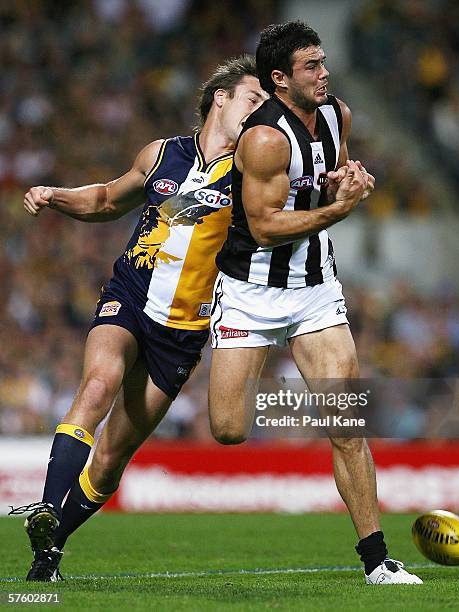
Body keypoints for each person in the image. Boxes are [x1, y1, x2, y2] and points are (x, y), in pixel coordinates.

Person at [11, 55, 267, 582]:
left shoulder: (252, 172)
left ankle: (48, 552)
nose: (262, 111)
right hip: (130, 294)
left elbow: (280, 218)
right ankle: (44, 508)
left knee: (109, 461)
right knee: (98, 383)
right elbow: (107, 199)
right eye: (254, 99)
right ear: (221, 96)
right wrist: (56, 195)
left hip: (183, 332)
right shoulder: (163, 154)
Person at [208, 22, 423, 585]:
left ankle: (378, 560)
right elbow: (264, 226)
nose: (324, 73)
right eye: (311, 66)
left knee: (347, 425)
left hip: (315, 291)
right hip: (251, 290)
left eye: (323, 62)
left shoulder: (336, 116)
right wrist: (339, 210)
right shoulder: (262, 139)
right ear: (280, 78)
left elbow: (327, 184)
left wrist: (343, 180)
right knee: (229, 429)